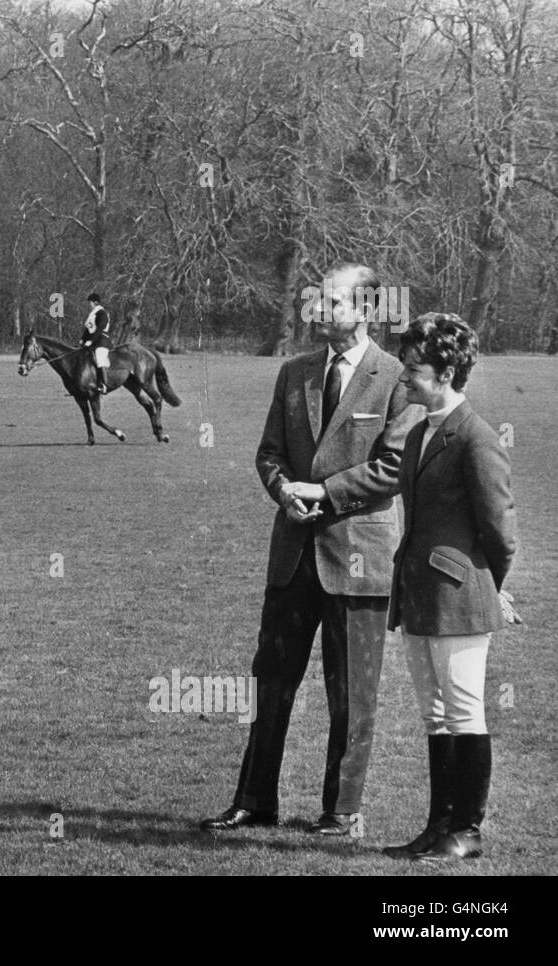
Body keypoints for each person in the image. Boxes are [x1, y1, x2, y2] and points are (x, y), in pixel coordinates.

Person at [200, 263, 420, 838]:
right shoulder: (294, 372)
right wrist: (282, 492)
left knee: (351, 695)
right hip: (294, 554)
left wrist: (323, 491)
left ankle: (341, 810)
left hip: (359, 560)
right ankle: (253, 800)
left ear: (368, 310)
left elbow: (394, 467)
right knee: (270, 681)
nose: (318, 311)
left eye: (332, 302)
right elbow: (269, 452)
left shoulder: (397, 378)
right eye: (316, 301)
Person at [383, 313, 518, 862]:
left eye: (413, 370)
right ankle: (438, 827)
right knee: (434, 713)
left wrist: (491, 589)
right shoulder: (417, 433)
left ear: (445, 373)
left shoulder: (477, 439)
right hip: (417, 593)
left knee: (464, 711)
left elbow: (500, 532)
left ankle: (468, 830)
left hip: (459, 597)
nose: (404, 380)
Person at [80, 293, 112, 394]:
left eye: (90, 303)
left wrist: (91, 341)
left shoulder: (102, 313)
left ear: (95, 302)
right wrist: (82, 339)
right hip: (93, 341)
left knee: (100, 359)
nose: (89, 305)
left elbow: (100, 328)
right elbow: (88, 329)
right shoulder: (93, 314)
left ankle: (104, 385)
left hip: (102, 341)